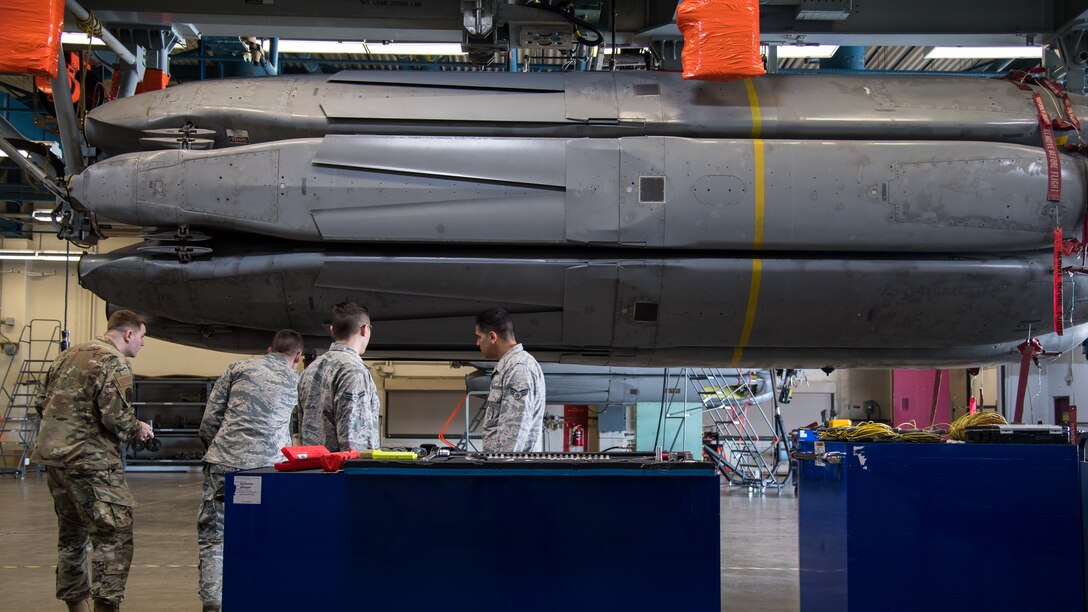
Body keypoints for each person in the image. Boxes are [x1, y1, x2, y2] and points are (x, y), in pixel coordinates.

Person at [32, 310, 155, 612]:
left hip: (56, 462)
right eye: (142, 337)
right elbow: (118, 419)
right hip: (93, 464)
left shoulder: (67, 355)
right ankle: (105, 607)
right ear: (128, 334)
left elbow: (40, 403)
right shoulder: (114, 362)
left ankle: (77, 608)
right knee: (114, 538)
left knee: (72, 538)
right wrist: (139, 428)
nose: (142, 343)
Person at [196, 329, 304, 612]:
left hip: (224, 463)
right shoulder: (297, 380)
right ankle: (259, 597)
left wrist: (221, 449)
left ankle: (213, 601)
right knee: (265, 535)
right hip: (268, 471)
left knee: (214, 537)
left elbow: (210, 420)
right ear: (298, 357)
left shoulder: (238, 367)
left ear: (269, 350)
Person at [298, 300, 380, 452]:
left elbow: (303, 428)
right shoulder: (353, 372)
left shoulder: (309, 371)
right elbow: (355, 442)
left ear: (331, 330)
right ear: (365, 329)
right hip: (343, 472)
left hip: (313, 471)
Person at [474, 308, 546, 453]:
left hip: (511, 470)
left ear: (492, 337)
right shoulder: (512, 365)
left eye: (479, 337)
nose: (477, 343)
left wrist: (502, 471)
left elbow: (514, 431)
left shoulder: (518, 368)